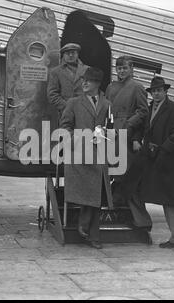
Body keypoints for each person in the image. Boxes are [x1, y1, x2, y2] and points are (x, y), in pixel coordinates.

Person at [127, 76, 174, 248]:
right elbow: (141, 128)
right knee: (164, 197)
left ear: (165, 91)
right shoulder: (149, 108)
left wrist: (164, 148)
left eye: (159, 90)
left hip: (168, 160)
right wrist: (136, 139)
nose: (156, 93)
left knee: (172, 199)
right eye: (154, 91)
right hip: (153, 159)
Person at [59, 67, 112, 249]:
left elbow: (110, 127)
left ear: (97, 84)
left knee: (96, 194)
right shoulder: (73, 102)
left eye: (88, 81)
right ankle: (84, 223)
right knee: (86, 192)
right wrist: (79, 138)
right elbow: (64, 126)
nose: (84, 83)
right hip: (78, 154)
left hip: (98, 154)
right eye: (83, 80)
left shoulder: (106, 104)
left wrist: (104, 133)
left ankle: (93, 235)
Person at [105, 56, 152, 239]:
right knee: (112, 173)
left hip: (127, 136)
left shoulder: (137, 87)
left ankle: (140, 220)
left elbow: (143, 112)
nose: (121, 71)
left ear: (132, 69)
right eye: (119, 68)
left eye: (125, 68)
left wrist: (129, 126)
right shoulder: (111, 87)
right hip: (111, 136)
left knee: (127, 176)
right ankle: (115, 210)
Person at [47, 43, 89, 118]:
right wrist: (67, 107)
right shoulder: (56, 72)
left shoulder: (88, 70)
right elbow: (52, 94)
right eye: (67, 53)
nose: (70, 55)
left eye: (73, 53)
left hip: (85, 112)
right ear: (63, 55)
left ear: (77, 54)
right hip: (65, 113)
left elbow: (93, 91)